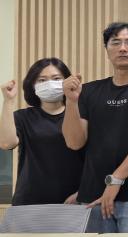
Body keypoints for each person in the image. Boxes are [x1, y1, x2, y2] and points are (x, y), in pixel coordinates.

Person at [62, 22, 128, 233]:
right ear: (106, 49)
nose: (122, 48)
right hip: (93, 195)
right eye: (115, 43)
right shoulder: (89, 91)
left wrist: (115, 180)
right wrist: (71, 102)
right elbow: (74, 142)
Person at [0, 58, 84, 205]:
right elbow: (7, 143)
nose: (49, 84)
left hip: (72, 200)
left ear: (67, 81)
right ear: (33, 85)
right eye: (42, 80)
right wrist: (8, 100)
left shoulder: (81, 115)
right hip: (29, 201)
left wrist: (83, 192)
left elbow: (95, 159)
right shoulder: (22, 117)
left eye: (56, 79)